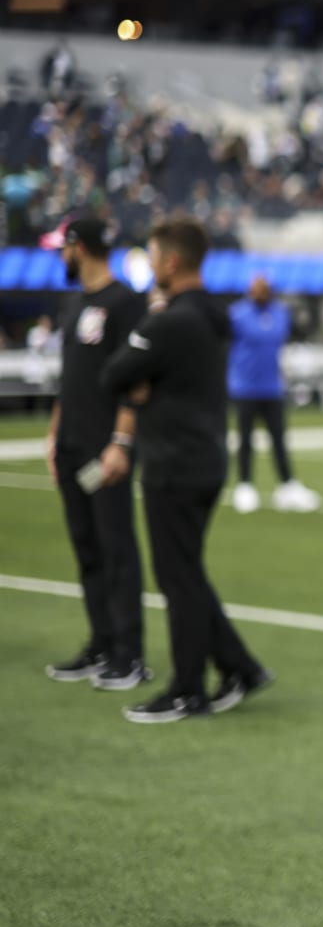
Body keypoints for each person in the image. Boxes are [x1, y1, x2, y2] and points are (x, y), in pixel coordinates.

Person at [100, 218, 274, 723]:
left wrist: (142, 381)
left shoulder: (171, 320)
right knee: (187, 572)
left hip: (173, 463)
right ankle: (240, 667)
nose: (150, 265)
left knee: (178, 578)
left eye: (152, 255)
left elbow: (112, 376)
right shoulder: (213, 315)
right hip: (204, 457)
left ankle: (187, 689)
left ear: (172, 262)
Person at [44, 217, 151, 691]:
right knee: (87, 548)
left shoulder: (125, 303)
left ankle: (130, 654)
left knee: (116, 550)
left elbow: (137, 382)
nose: (58, 257)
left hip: (103, 448)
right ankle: (101, 643)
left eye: (62, 248)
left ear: (79, 247)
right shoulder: (75, 304)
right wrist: (53, 436)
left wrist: (120, 442)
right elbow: (70, 380)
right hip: (71, 445)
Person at [228, 274, 319, 514]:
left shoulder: (280, 313)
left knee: (278, 438)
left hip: (272, 386)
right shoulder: (237, 314)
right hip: (245, 386)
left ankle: (287, 484)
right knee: (245, 439)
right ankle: (245, 485)